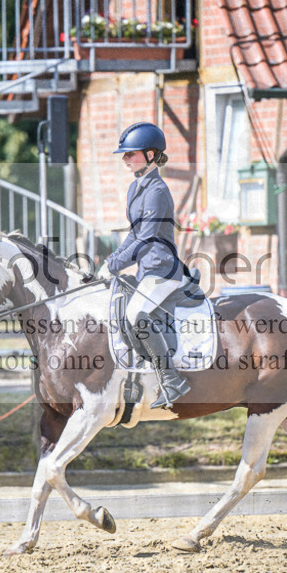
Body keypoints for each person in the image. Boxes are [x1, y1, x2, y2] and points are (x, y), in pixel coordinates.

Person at [97, 122, 191, 410]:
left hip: (163, 269)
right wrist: (110, 262)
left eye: (130, 154)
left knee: (137, 313)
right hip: (146, 269)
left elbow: (148, 237)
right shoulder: (135, 188)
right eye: (123, 155)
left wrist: (114, 264)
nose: (124, 158)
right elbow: (133, 235)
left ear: (151, 155)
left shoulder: (157, 191)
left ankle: (172, 380)